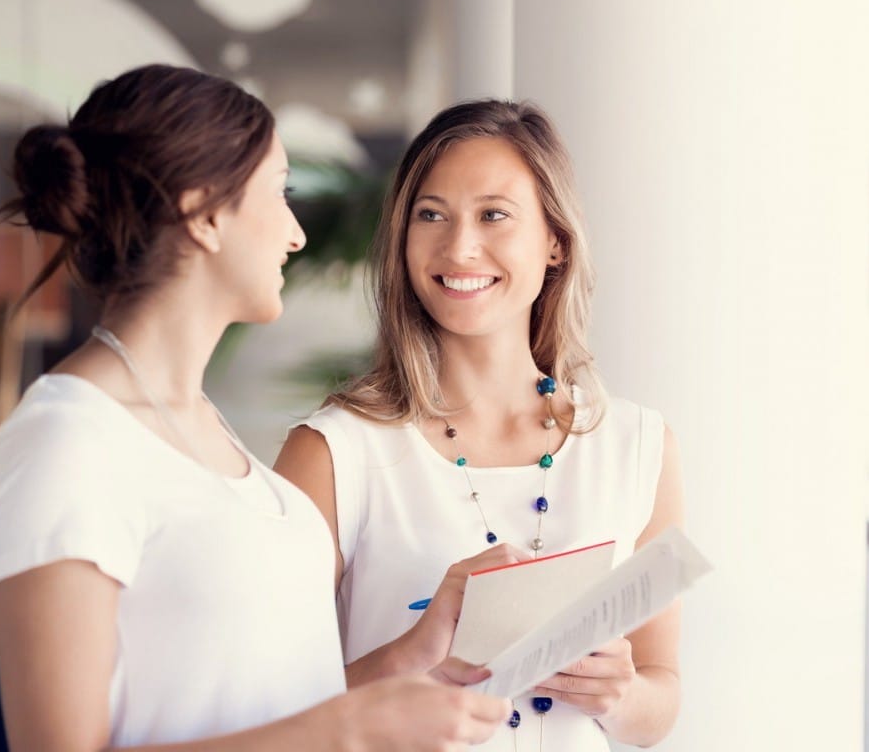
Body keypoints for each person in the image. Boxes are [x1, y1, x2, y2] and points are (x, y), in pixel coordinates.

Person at [0, 64, 509, 752]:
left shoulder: (199, 424)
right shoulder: (68, 441)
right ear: (204, 214)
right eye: (279, 192)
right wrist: (345, 733)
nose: (296, 234)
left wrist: (418, 651)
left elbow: (273, 705)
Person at [274, 99, 685, 751]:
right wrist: (415, 654)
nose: (459, 246)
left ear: (555, 240)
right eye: (430, 215)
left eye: (493, 214)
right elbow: (275, 712)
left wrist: (622, 693)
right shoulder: (331, 454)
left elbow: (660, 704)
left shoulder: (637, 447)